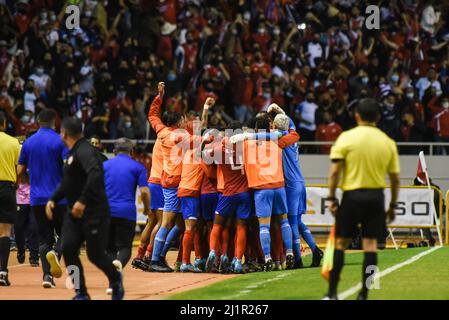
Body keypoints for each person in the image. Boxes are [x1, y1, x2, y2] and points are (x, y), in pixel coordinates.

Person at [324, 98, 400, 300]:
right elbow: (395, 178)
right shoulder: (387, 142)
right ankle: (365, 294)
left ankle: (332, 293)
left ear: (357, 116)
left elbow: (334, 173)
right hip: (376, 197)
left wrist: (331, 198)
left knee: (340, 244)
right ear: (378, 117)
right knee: (370, 246)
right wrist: (392, 204)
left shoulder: (346, 138)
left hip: (352, 196)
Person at [46, 117, 124, 300]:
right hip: (74, 215)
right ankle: (81, 292)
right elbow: (68, 183)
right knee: (68, 249)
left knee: (95, 255)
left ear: (64, 133)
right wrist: (53, 199)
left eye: (60, 132)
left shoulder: (85, 151)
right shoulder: (72, 153)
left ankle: (115, 279)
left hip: (94, 213)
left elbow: (96, 174)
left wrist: (82, 200)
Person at [17, 109, 67, 288]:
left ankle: (47, 277)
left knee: (44, 238)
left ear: (37, 122)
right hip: (59, 198)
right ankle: (57, 253)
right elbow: (68, 167)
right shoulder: (60, 141)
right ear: (55, 122)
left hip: (37, 198)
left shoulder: (29, 143)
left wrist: (33, 181)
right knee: (65, 234)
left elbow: (20, 171)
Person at [147, 82, 186, 272]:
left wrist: (159, 96)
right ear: (178, 124)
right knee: (167, 222)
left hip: (168, 180)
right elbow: (198, 140)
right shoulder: (179, 136)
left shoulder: (162, 131)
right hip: (174, 182)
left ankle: (159, 256)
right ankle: (154, 259)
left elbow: (152, 115)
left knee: (179, 224)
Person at [104, 137, 150, 294]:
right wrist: (147, 209)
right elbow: (144, 191)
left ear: (114, 151)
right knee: (125, 247)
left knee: (109, 248)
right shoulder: (137, 166)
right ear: (132, 152)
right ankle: (119, 264)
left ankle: (112, 282)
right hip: (126, 212)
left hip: (107, 211)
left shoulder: (104, 165)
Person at [0, 111, 21, 286]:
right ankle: (2, 272)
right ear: (4, 123)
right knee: (5, 232)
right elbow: (20, 167)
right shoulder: (13, 142)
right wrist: (17, 180)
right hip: (6, 187)